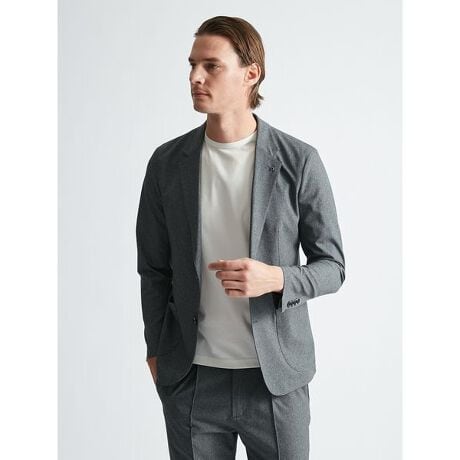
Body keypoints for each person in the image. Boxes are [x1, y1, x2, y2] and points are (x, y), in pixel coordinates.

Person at [136, 15, 345, 460]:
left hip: (275, 381)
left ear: (251, 74)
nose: (195, 77)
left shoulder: (298, 161)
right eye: (192, 65)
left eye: (211, 66)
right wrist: (156, 351)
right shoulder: (167, 163)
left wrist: (276, 278)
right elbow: (153, 268)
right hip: (192, 379)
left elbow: (333, 268)